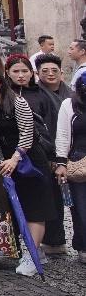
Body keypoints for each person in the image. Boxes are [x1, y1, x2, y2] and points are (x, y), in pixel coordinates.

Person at [0, 62, 50, 276]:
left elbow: (28, 133)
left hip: (28, 161)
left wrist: (15, 158)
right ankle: (24, 248)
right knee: (18, 210)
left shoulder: (17, 102)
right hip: (6, 163)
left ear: (0, 79)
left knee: (35, 209)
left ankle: (33, 254)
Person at [7, 52, 68, 255]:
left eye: (25, 71)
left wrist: (56, 157)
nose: (21, 75)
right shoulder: (4, 94)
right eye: (16, 71)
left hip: (40, 154)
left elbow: (52, 125)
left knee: (46, 200)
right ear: (8, 73)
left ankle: (52, 240)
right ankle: (12, 243)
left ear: (31, 73)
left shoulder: (41, 94)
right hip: (10, 156)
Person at [52, 74, 86, 263]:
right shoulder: (69, 104)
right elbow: (63, 134)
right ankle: (83, 245)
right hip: (78, 161)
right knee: (81, 208)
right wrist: (61, 163)